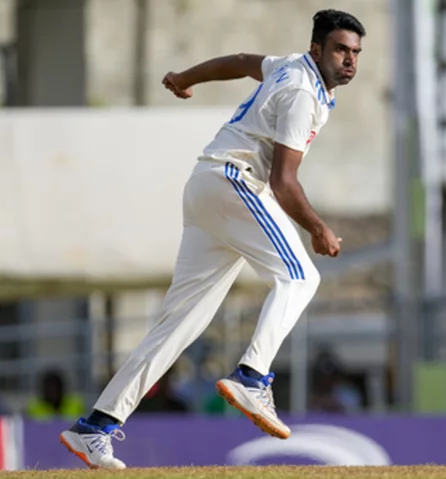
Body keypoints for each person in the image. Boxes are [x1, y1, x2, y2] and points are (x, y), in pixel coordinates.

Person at [58, 9, 365, 469]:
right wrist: (318, 227)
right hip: (233, 182)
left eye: (356, 52)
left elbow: (242, 61)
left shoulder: (289, 66)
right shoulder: (304, 92)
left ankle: (95, 427)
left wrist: (186, 76)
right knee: (301, 277)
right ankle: (252, 377)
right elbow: (283, 182)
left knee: (179, 324)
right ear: (317, 50)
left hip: (206, 186)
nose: (350, 60)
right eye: (341, 49)